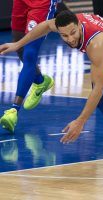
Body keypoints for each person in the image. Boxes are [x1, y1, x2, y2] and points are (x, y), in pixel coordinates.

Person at [0, 10, 103, 141]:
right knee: (102, 100)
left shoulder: (95, 43)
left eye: (73, 33)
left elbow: (98, 88)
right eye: (64, 36)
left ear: (79, 25)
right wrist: (17, 44)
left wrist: (81, 121)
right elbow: (45, 25)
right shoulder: (65, 23)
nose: (70, 39)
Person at [0, 0, 58, 133]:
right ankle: (40, 81)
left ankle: (13, 111)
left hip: (42, 3)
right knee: (18, 45)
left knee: (29, 53)